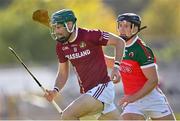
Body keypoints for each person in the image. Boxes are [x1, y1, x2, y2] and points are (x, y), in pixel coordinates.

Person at [44, 9, 125, 120]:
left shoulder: (90, 35)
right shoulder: (60, 46)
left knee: (67, 115)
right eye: (54, 28)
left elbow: (119, 42)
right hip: (88, 94)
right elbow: (63, 72)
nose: (56, 31)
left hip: (102, 89)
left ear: (69, 25)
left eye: (58, 27)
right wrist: (55, 90)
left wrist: (116, 67)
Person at [105, 13, 176, 120]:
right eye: (120, 25)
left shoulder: (141, 50)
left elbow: (153, 81)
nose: (121, 29)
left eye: (126, 26)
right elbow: (116, 63)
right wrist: (96, 54)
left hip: (152, 99)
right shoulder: (121, 46)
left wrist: (132, 97)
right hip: (133, 103)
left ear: (135, 28)